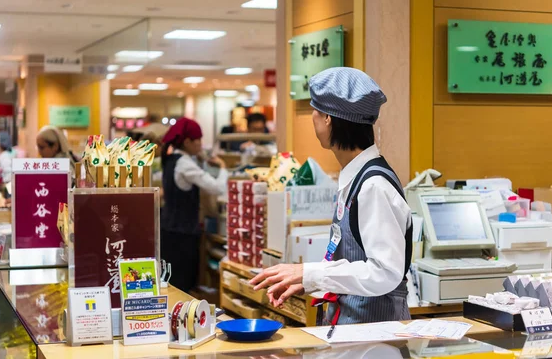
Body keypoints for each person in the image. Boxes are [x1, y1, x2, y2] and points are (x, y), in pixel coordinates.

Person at [250, 67, 413, 325]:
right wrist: (307, 281)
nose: (313, 119)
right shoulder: (354, 176)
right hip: (352, 328)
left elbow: (385, 271)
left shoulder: (373, 186)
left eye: (315, 112)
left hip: (376, 338)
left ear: (328, 119)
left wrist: (310, 273)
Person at [160, 118, 228, 292]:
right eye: (198, 139)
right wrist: (223, 167)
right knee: (183, 283)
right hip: (183, 233)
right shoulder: (185, 164)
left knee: (171, 282)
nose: (200, 144)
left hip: (169, 229)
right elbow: (217, 188)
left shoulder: (171, 159)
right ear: (187, 141)